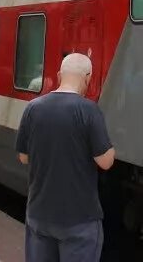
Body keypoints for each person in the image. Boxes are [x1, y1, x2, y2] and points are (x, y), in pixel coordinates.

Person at [15, 53, 115, 262]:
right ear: (88, 78)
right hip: (78, 218)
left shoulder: (33, 107)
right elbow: (105, 162)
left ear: (59, 75)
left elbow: (24, 158)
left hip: (39, 214)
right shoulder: (89, 110)